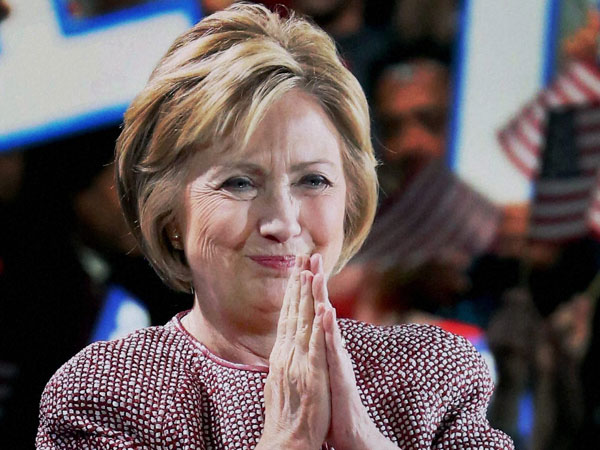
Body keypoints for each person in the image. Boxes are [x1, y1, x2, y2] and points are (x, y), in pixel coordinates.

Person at [36, 4, 513, 449]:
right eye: (240, 183)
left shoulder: (429, 374)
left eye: (313, 180)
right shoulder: (106, 393)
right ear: (169, 214)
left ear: (349, 200)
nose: (283, 221)